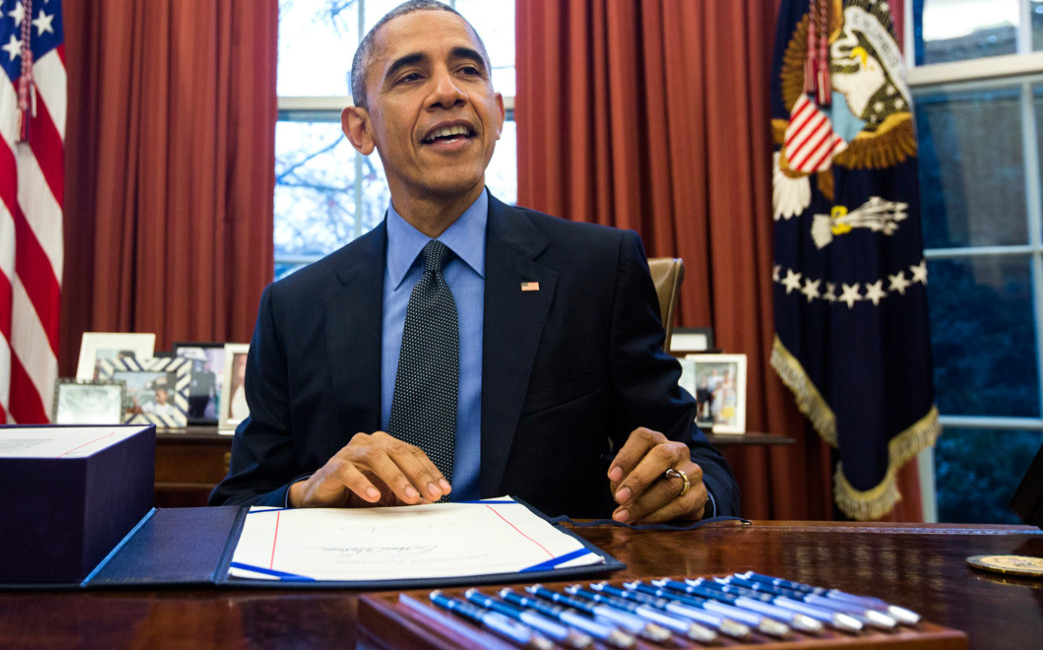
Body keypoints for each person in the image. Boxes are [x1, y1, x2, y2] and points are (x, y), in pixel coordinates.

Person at [210, 0, 739, 521]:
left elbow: (700, 468)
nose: (449, 92)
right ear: (360, 130)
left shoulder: (598, 270)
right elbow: (236, 505)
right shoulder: (294, 307)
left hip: (540, 577)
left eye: (468, 70)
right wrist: (303, 494)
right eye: (411, 76)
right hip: (357, 574)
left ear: (498, 112)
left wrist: (685, 488)